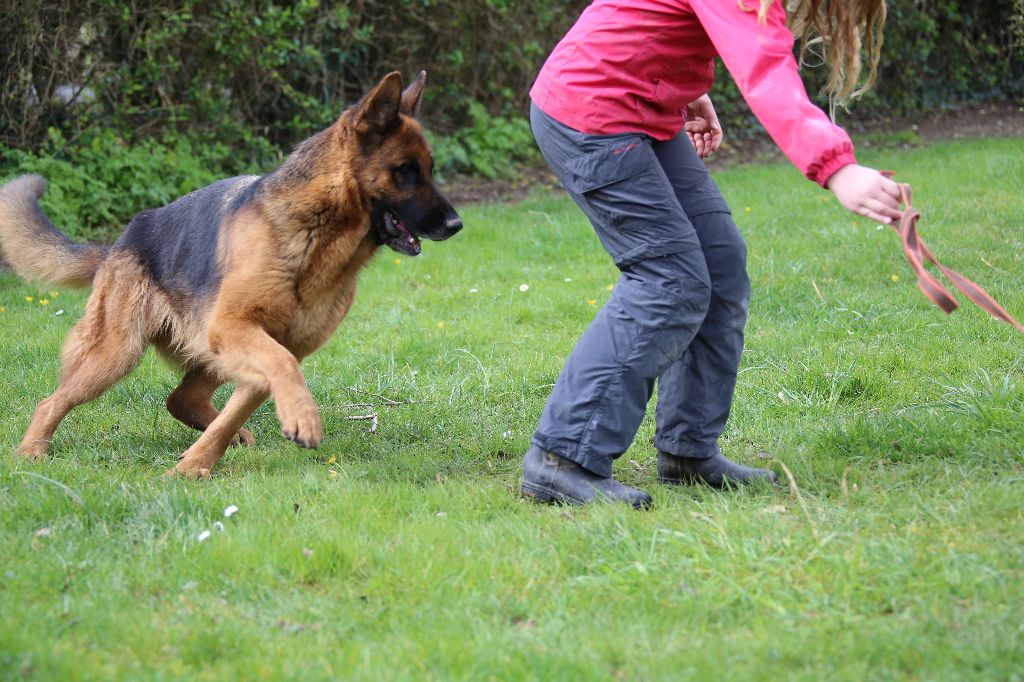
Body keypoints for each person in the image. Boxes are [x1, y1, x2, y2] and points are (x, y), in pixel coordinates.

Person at [520, 0, 903, 508]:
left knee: (719, 263)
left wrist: (683, 85)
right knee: (668, 280)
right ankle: (561, 458)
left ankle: (688, 451)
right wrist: (837, 167)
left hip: (640, 107)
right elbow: (764, 68)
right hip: (593, 113)